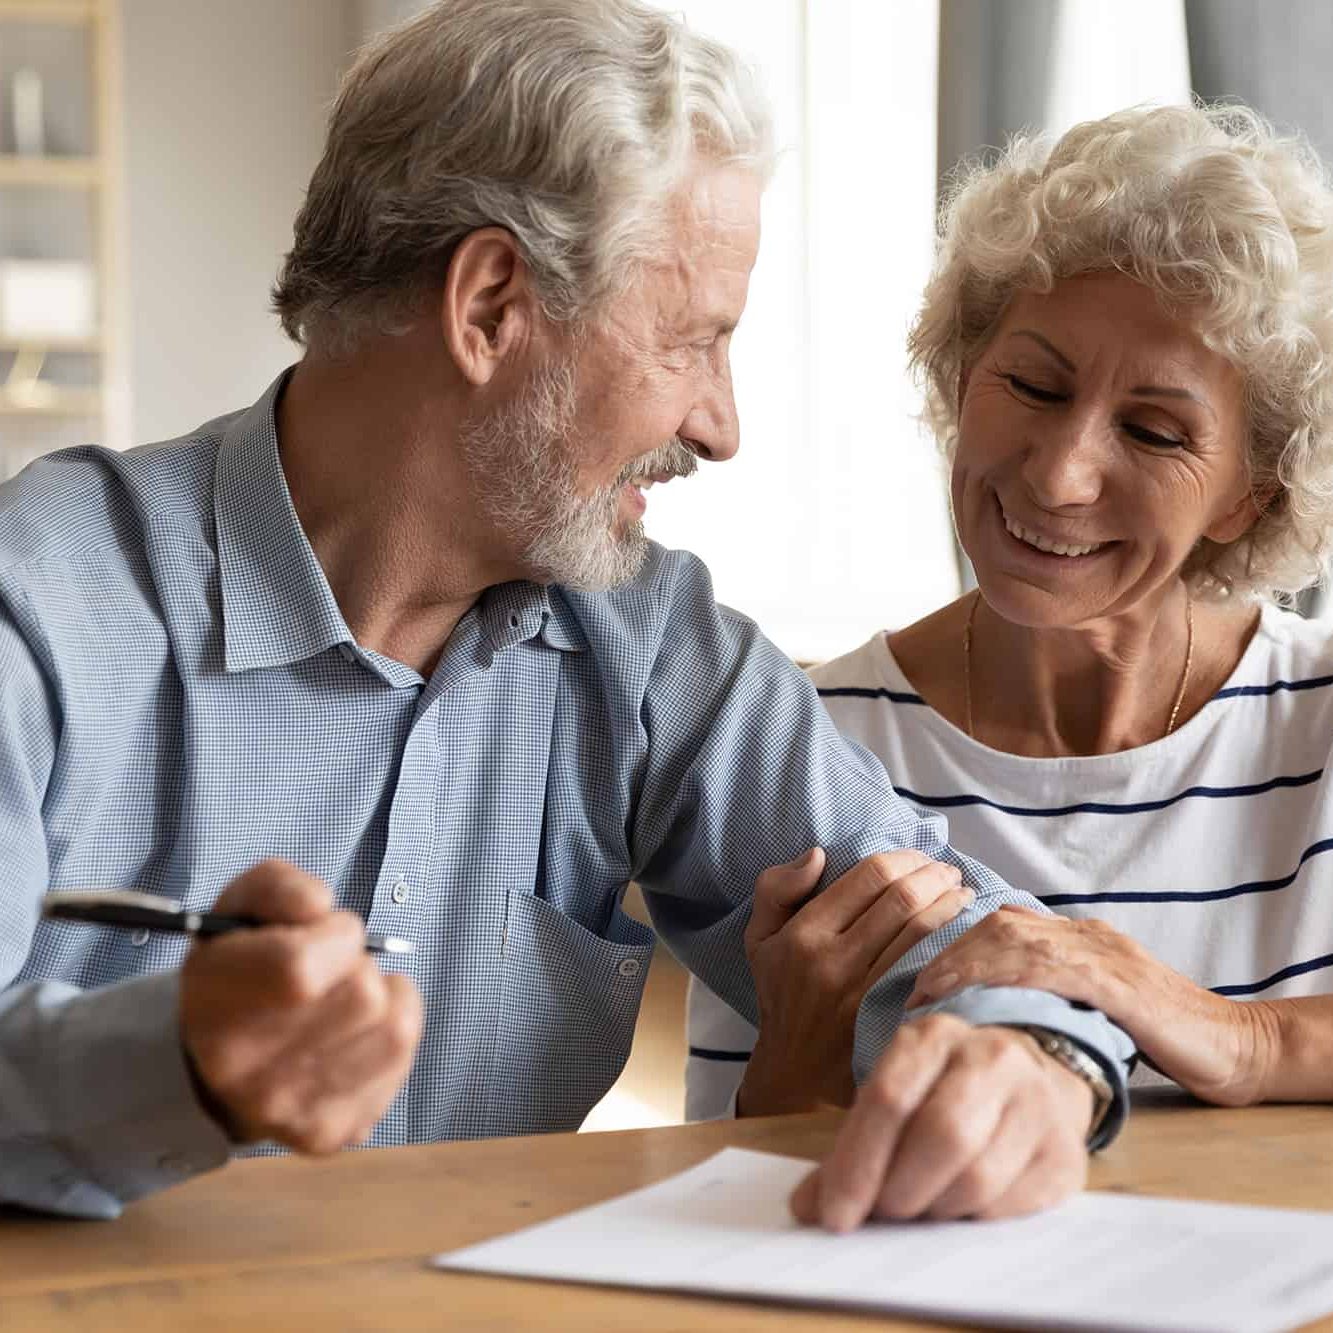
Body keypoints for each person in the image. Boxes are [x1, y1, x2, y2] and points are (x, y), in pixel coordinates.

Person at [0, 0, 1130, 1228]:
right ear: (488, 306)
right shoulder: (45, 603)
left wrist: (1032, 1060)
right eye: (690, 343)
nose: (720, 425)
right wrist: (175, 1060)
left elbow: (949, 927)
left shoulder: (646, 643)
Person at [688, 102, 1333, 1122]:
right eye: (1031, 385)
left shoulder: (1321, 721)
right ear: (959, 373)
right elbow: (730, 1196)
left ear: (1249, 493)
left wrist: (1236, 1032)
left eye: (1155, 433)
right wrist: (802, 1056)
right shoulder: (810, 745)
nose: (1062, 474)